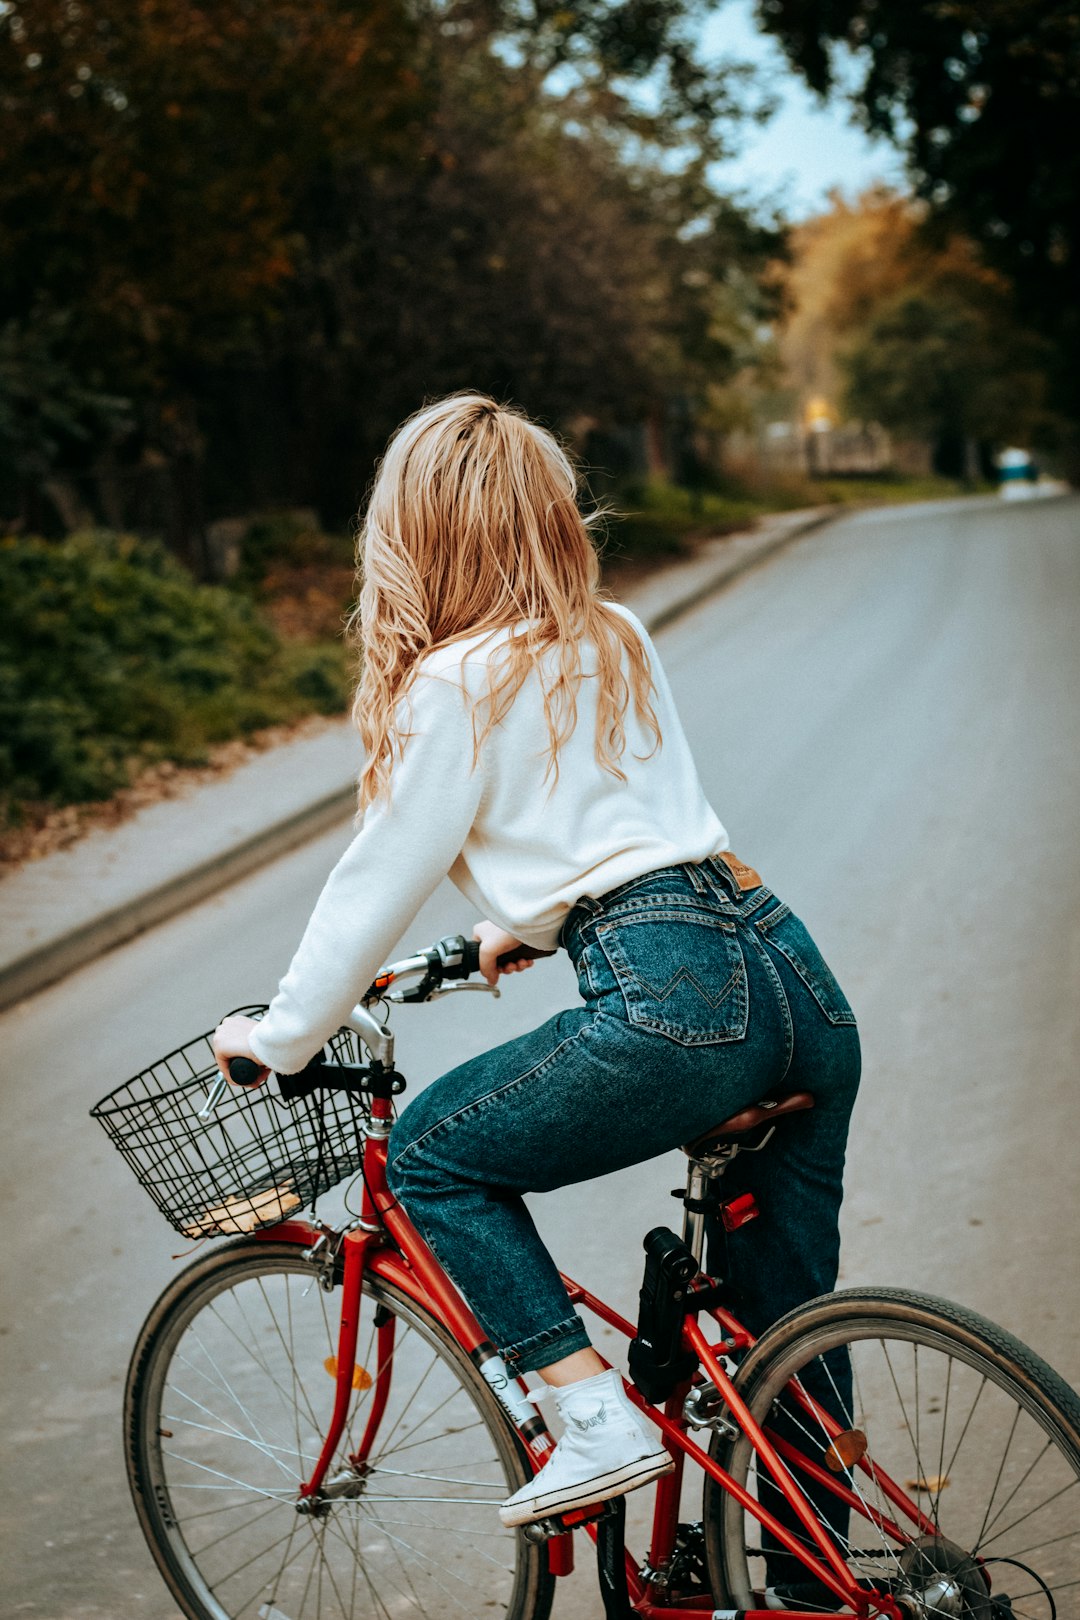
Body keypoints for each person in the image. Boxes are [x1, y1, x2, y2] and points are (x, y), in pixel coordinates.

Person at [212, 391, 861, 1534]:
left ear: (413, 535)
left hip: (673, 996)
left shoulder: (452, 683)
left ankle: (590, 1416)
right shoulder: (613, 634)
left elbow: (372, 885)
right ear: (551, 515)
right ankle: (823, 1583)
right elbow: (624, 823)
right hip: (786, 968)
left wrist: (278, 1037)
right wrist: (527, 923)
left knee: (429, 1159)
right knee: (790, 1327)